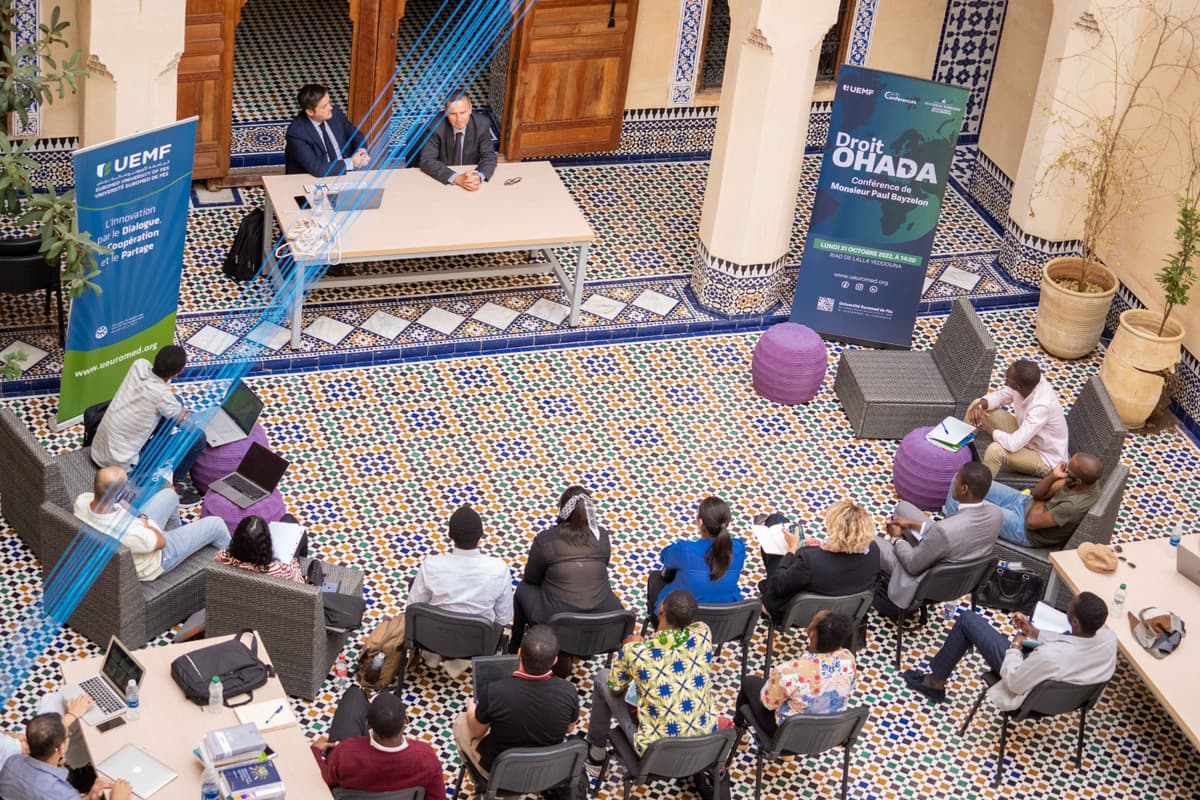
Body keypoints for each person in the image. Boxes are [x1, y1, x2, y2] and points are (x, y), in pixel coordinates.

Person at [903, 591, 1117, 707]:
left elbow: (1014, 682)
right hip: (1071, 697)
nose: (1067, 607)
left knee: (968, 620)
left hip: (1029, 687)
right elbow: (1070, 642)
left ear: (1075, 621)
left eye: (1068, 609)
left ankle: (934, 682)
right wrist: (1034, 633)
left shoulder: (1050, 656)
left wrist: (1015, 647)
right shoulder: (1109, 639)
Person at [584, 589, 716, 774]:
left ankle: (595, 756)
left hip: (656, 752)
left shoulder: (637, 652)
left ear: (661, 608)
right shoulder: (703, 633)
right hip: (703, 745)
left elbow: (614, 688)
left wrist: (629, 648)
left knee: (602, 678)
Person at [874, 463, 1004, 616]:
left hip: (927, 581)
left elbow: (912, 565)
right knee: (903, 507)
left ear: (964, 489)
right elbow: (949, 535)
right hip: (966, 576)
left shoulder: (944, 530)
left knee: (869, 540)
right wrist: (911, 524)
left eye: (957, 479)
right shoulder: (997, 514)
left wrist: (896, 538)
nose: (954, 482)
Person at [453, 625, 579, 780]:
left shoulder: (495, 691)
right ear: (554, 660)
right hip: (543, 774)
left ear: (519, 653)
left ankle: (483, 780)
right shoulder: (569, 691)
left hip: (500, 773)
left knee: (461, 722)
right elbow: (569, 728)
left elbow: (476, 731)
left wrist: (471, 709)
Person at [510, 486, 623, 652]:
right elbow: (603, 565)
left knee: (522, 589)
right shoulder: (602, 536)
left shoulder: (546, 540)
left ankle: (514, 647)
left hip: (557, 620)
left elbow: (532, 578)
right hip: (602, 616)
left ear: (562, 510)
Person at [90, 345, 206, 505]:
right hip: (121, 466)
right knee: (198, 437)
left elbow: (165, 399)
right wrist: (186, 414)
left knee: (174, 406)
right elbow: (190, 425)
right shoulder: (162, 396)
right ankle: (177, 484)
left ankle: (153, 446)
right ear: (176, 374)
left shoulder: (139, 365)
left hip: (99, 450)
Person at [74, 466, 231, 581]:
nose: (130, 486)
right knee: (216, 524)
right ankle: (232, 567)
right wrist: (145, 522)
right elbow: (160, 541)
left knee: (170, 495)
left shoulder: (82, 502)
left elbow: (120, 507)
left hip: (140, 532)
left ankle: (182, 538)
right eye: (127, 484)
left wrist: (135, 513)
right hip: (155, 558)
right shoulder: (132, 534)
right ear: (119, 494)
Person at [735, 610, 856, 737]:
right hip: (826, 735)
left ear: (812, 633)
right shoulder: (849, 659)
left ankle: (740, 733)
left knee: (749, 683)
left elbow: (768, 704)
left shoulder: (788, 672)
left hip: (787, 738)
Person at [944, 453, 1103, 548]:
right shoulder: (1083, 481)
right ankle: (956, 521)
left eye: (1069, 468)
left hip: (1025, 530)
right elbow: (1037, 492)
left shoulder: (1073, 506)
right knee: (960, 480)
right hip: (1023, 501)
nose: (1065, 466)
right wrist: (1053, 477)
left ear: (1079, 480)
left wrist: (1042, 498)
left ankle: (949, 535)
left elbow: (1032, 522)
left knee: (961, 501)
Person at [310, 688, 445, 797]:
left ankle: (359, 694)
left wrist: (314, 752)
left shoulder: (345, 753)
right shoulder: (426, 757)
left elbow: (324, 780)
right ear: (406, 719)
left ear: (368, 724)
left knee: (354, 695)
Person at [759, 500, 880, 621]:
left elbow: (779, 586)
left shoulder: (810, 561)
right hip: (846, 612)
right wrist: (822, 546)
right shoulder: (874, 550)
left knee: (773, 531)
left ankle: (766, 607)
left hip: (798, 614)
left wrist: (792, 549)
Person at [409, 505, 513, 626]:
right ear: (481, 534)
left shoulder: (430, 566)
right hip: (480, 642)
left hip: (433, 639)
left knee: (414, 583)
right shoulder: (499, 569)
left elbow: (412, 608)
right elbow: (503, 618)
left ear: (450, 535)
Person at [966, 359, 1068, 478]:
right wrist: (979, 405)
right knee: (978, 404)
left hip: (1044, 457)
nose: (1005, 381)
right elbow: (1000, 396)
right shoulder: (1027, 383)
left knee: (995, 450)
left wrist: (988, 428)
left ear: (1017, 386)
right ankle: (960, 451)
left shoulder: (1041, 406)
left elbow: (1013, 444)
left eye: (1007, 380)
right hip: (1025, 435)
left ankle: (976, 491)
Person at [0, 711, 131, 800]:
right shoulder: (61, 793)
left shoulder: (11, 762)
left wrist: (90, 795)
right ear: (61, 747)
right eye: (68, 735)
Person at [649, 496, 746, 613]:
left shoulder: (685, 550)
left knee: (656, 578)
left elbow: (665, 557)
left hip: (681, 617)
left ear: (700, 522)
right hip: (724, 618)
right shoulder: (739, 548)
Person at [284, 83, 369, 176]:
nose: (330, 107)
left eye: (329, 102)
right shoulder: (296, 133)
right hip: (313, 179)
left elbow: (355, 135)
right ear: (310, 112)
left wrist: (361, 151)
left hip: (346, 173)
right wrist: (351, 162)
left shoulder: (335, 113)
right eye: (324, 106)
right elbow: (317, 169)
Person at [418, 93, 497, 191]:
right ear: (446, 112)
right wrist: (457, 178)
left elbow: (489, 155)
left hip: (469, 175)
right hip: (442, 180)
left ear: (470, 109)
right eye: (453, 114)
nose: (459, 119)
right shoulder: (434, 126)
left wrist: (478, 176)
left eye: (463, 112)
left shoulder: (482, 123)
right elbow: (427, 160)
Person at [216, 515, 303, 582]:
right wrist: (293, 562)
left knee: (288, 519)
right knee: (291, 521)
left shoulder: (222, 557)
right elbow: (299, 582)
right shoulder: (281, 569)